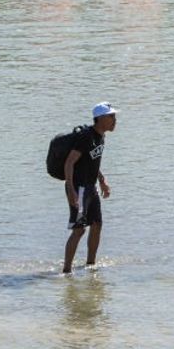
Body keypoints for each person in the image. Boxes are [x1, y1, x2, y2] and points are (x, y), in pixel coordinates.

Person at [62, 103, 116, 274]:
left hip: (90, 187)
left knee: (97, 224)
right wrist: (71, 190)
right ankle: (66, 272)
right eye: (111, 117)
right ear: (100, 119)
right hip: (79, 188)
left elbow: (92, 161)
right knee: (79, 230)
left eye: (114, 117)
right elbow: (69, 162)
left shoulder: (101, 136)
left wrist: (102, 180)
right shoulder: (86, 137)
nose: (114, 120)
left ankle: (91, 265)